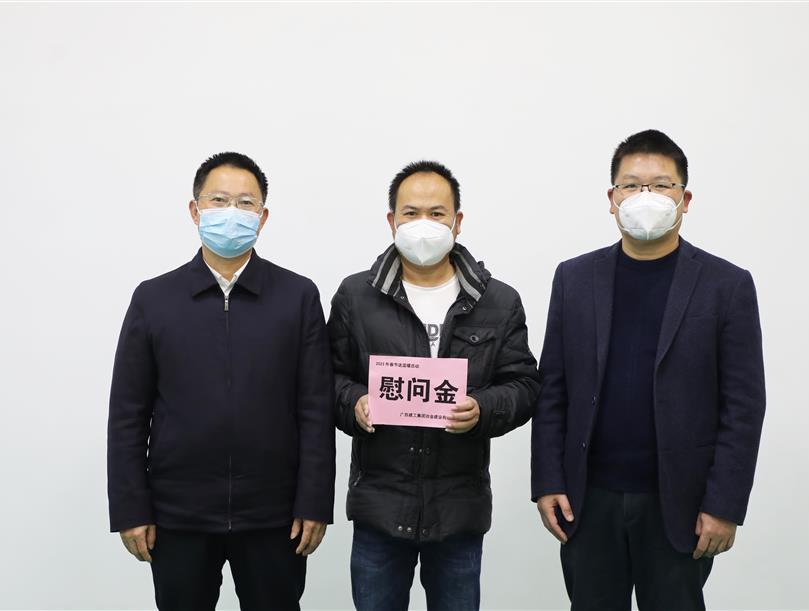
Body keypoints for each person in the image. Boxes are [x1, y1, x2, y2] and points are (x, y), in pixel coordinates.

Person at [531, 130, 766, 610]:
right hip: (589, 500)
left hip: (680, 504)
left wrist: (724, 505)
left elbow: (743, 406)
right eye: (632, 185)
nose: (646, 197)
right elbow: (552, 388)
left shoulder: (726, 285)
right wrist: (548, 480)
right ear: (612, 199)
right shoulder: (574, 278)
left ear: (685, 199)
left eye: (661, 186)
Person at [107, 152, 335, 611]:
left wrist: (314, 502)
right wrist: (131, 508)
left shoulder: (297, 297)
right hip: (178, 515)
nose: (232, 212)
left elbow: (315, 408)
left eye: (246, 203)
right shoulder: (154, 299)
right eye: (219, 200)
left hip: (274, 515)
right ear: (195, 210)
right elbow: (128, 413)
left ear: (263, 217)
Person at [328, 160, 541, 611]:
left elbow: (524, 384)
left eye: (436, 213)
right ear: (392, 221)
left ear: (457, 221)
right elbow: (327, 379)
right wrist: (355, 402)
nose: (423, 224)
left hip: (458, 510)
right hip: (379, 508)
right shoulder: (356, 296)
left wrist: (482, 409)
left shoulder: (498, 301)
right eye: (411, 213)